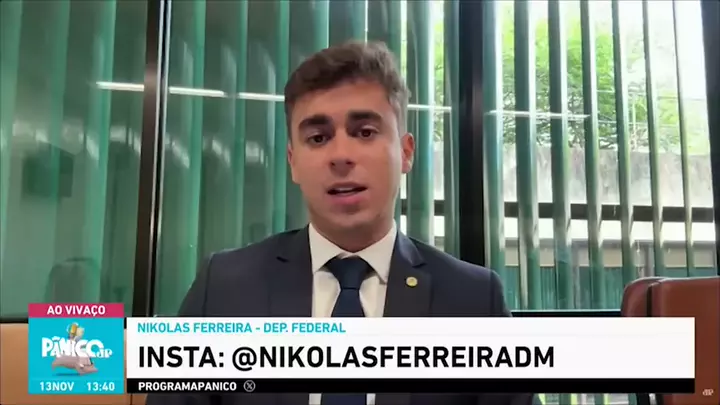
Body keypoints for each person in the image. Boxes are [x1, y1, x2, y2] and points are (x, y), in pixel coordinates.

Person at [146, 41, 540, 405]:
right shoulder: (224, 288)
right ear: (293, 161)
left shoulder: (474, 301)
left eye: (364, 132)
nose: (340, 155)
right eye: (318, 138)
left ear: (405, 152)